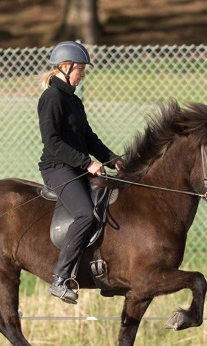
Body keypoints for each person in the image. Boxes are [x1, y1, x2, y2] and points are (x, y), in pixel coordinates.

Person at [37, 41, 122, 305]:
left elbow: (88, 136)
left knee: (110, 203)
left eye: (83, 70)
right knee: (86, 214)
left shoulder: (73, 100)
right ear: (65, 67)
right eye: (80, 69)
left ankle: (106, 274)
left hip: (76, 166)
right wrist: (86, 163)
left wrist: (112, 160)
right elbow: (52, 141)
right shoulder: (51, 98)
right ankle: (61, 279)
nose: (82, 74)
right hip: (58, 168)